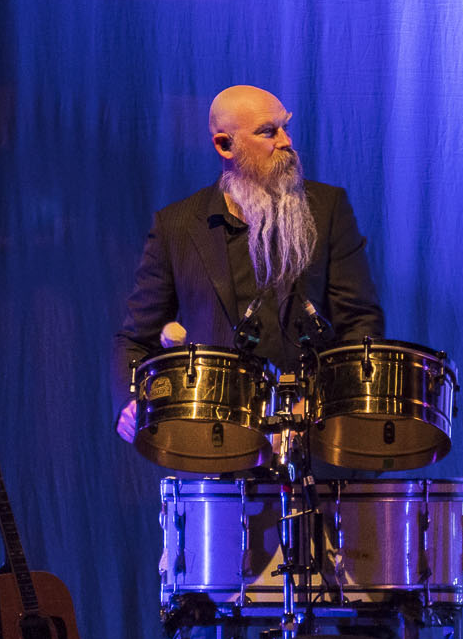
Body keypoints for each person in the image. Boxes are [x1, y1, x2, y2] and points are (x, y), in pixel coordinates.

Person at [111, 83, 384, 438]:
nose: (285, 142)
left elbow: (360, 321)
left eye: (285, 127)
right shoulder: (176, 225)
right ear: (225, 145)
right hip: (212, 443)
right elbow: (135, 337)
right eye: (268, 132)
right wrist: (132, 403)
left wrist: (323, 402)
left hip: (312, 438)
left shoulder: (327, 208)